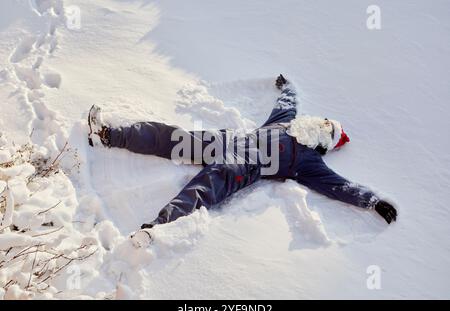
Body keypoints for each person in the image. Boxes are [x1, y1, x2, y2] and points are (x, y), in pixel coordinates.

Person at [88, 75, 397, 247]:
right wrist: (287, 86)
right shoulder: (286, 121)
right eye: (326, 121)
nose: (323, 124)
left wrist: (372, 200)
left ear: (324, 142)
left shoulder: (309, 161)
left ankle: (155, 230)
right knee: (172, 138)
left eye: (328, 129)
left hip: (245, 166)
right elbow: (288, 102)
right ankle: (108, 135)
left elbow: (339, 186)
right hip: (226, 141)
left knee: (202, 190)